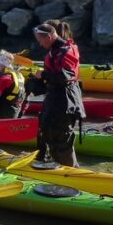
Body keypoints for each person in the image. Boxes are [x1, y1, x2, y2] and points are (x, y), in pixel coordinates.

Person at [31, 23, 85, 167]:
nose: (40, 44)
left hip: (66, 99)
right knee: (46, 130)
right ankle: (50, 163)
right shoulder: (54, 51)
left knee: (61, 136)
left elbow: (65, 77)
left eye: (41, 41)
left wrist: (44, 74)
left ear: (49, 37)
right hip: (55, 97)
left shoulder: (66, 51)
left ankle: (70, 171)